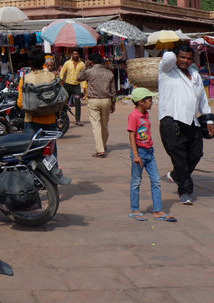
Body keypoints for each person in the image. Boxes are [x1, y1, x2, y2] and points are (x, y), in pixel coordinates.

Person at [158, 43, 214, 204]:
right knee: (180, 158)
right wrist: (174, 48)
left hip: (192, 122)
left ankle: (176, 175)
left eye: (189, 58)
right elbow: (167, 58)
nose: (186, 61)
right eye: (182, 57)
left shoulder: (195, 74)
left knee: (197, 153)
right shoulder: (167, 70)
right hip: (171, 121)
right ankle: (185, 191)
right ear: (176, 57)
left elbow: (202, 99)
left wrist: (209, 119)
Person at [127, 87, 177, 222]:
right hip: (139, 152)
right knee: (136, 182)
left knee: (156, 181)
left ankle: (158, 210)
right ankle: (135, 209)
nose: (152, 102)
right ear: (141, 102)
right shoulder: (134, 116)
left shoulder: (146, 115)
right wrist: (136, 155)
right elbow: (132, 136)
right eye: (149, 100)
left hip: (150, 152)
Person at [17, 47, 58, 146]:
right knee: (50, 152)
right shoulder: (52, 76)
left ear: (30, 62)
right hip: (50, 119)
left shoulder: (26, 78)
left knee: (31, 152)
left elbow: (20, 103)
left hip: (32, 121)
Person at [78, 54, 116, 158]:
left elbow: (79, 78)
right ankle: (103, 145)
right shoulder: (109, 73)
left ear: (92, 62)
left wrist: (85, 67)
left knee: (96, 125)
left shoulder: (89, 72)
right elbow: (113, 90)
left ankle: (100, 149)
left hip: (93, 100)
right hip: (106, 100)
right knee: (104, 124)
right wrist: (113, 103)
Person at [60, 49, 86, 126]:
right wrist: (61, 81)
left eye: (77, 54)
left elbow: (83, 76)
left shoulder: (82, 64)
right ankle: (62, 118)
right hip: (67, 85)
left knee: (77, 102)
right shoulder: (67, 63)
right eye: (74, 54)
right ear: (71, 54)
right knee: (64, 102)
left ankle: (78, 120)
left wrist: (84, 88)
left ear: (79, 55)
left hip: (77, 86)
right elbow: (62, 72)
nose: (75, 55)